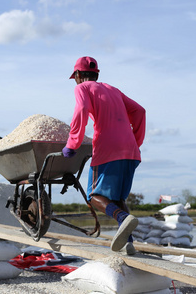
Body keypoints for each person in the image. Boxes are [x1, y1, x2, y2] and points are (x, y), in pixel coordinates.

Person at [62, 56, 146, 255]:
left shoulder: (82, 88)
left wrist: (72, 143)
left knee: (93, 196)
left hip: (108, 149)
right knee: (117, 198)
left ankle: (123, 219)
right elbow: (140, 111)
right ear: (97, 74)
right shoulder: (113, 89)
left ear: (79, 75)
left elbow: (81, 109)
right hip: (131, 151)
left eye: (75, 77)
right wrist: (135, 141)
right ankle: (128, 242)